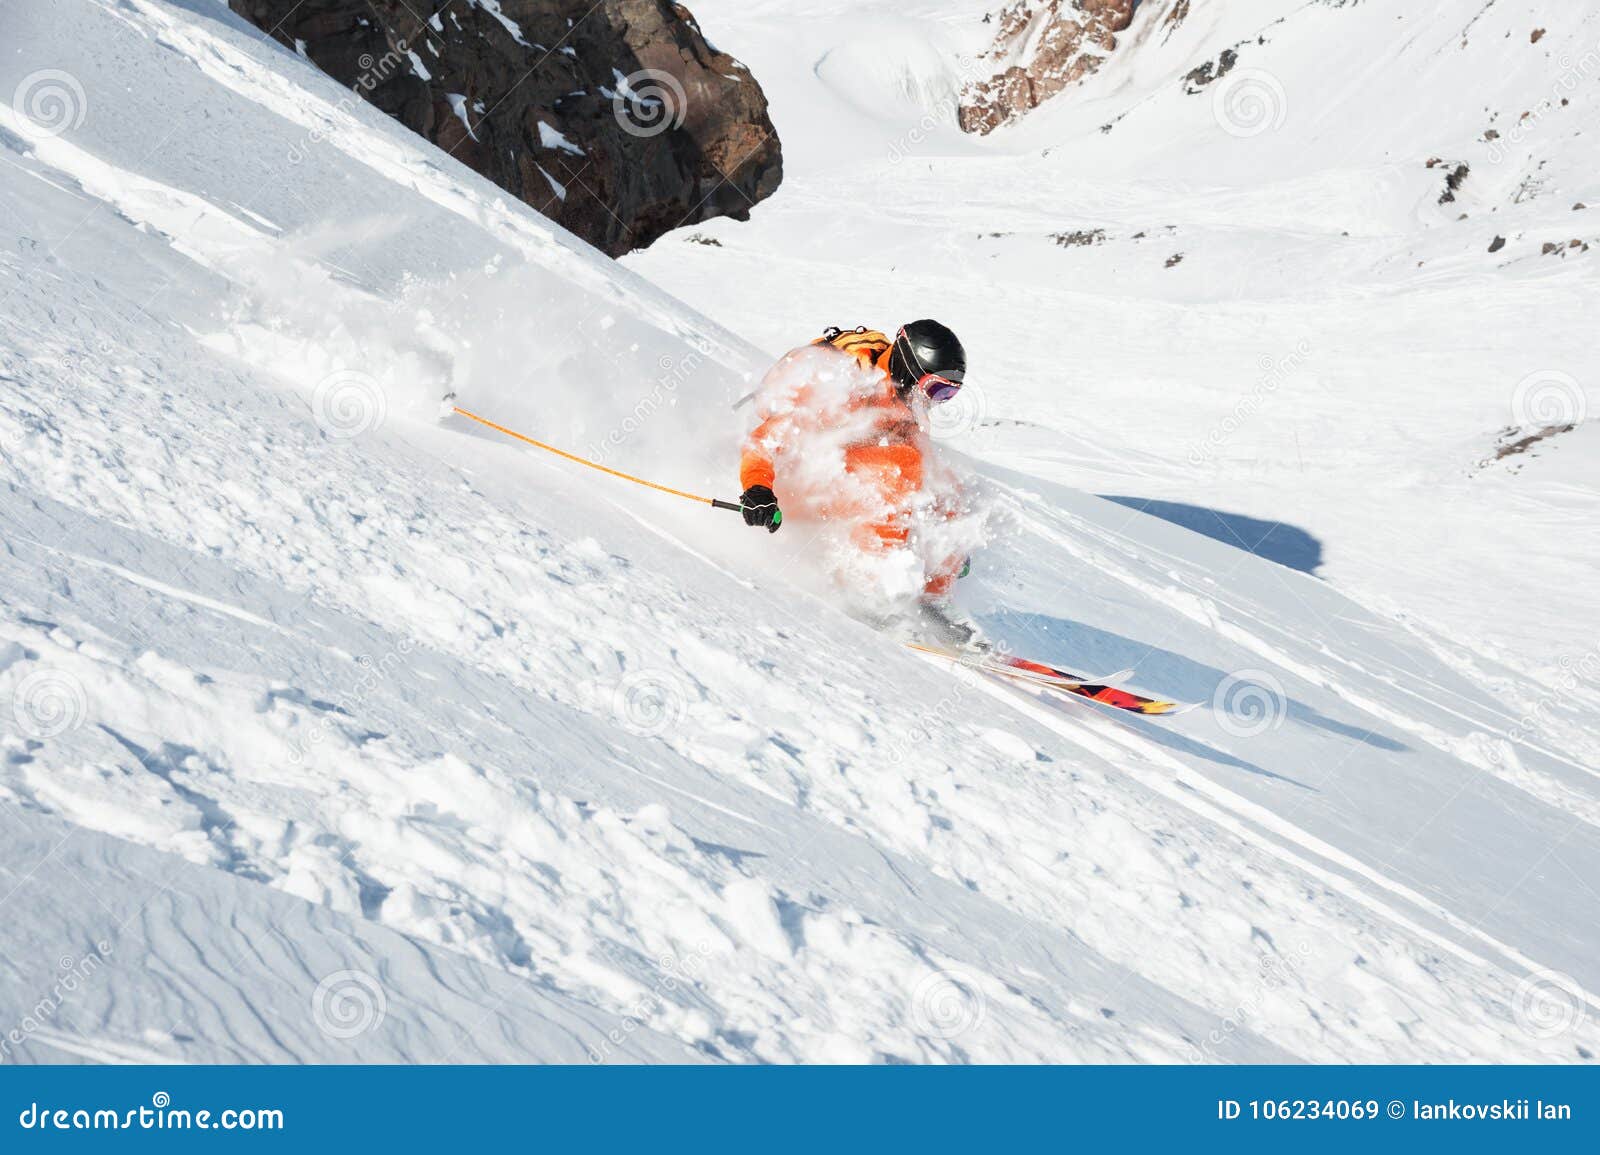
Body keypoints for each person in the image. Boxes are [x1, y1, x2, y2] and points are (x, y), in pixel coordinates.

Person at [737, 320, 973, 605]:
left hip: (841, 471)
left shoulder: (906, 401)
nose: (936, 400)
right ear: (910, 366)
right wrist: (757, 489)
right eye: (936, 389)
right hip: (793, 479)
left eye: (948, 394)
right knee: (896, 470)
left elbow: (926, 467)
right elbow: (764, 440)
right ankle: (873, 587)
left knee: (946, 489)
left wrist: (949, 537)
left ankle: (934, 604)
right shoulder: (839, 384)